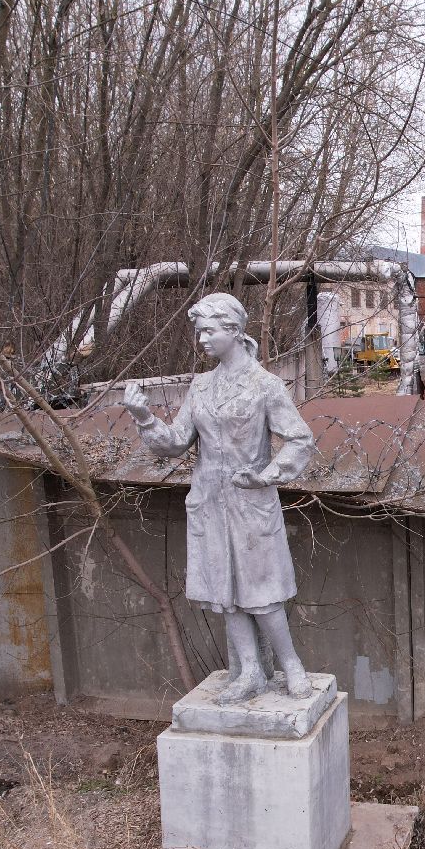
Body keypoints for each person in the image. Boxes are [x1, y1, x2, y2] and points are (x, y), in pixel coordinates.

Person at [121, 293, 315, 701]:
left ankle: (291, 664)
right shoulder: (201, 386)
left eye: (209, 331)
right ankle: (249, 672)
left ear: (234, 330)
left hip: (250, 501)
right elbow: (175, 442)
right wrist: (144, 417)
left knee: (263, 593)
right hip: (209, 501)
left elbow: (300, 439)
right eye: (199, 332)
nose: (202, 340)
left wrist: (266, 476)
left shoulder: (265, 385)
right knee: (225, 594)